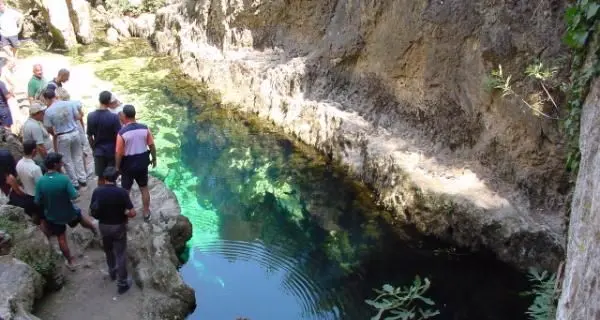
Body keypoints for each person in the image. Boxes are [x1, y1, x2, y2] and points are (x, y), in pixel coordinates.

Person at [34, 152, 97, 270]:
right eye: (60, 162)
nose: (62, 164)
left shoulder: (41, 182)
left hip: (53, 215)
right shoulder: (63, 179)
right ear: (55, 164)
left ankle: (71, 261)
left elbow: (37, 201)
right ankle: (94, 229)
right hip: (69, 212)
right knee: (80, 216)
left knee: (61, 238)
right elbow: (75, 196)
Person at [90, 166, 135, 294]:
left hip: (103, 226)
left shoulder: (97, 191)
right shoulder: (122, 193)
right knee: (120, 254)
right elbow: (132, 213)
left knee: (108, 250)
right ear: (117, 178)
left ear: (104, 178)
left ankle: (112, 271)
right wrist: (125, 213)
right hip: (118, 226)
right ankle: (122, 283)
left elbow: (91, 210)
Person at [115, 105, 156, 221]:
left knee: (125, 190)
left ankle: (124, 212)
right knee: (144, 188)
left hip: (128, 165)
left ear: (125, 116)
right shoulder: (145, 128)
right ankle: (146, 212)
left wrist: (117, 167)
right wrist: (154, 159)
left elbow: (118, 153)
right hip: (142, 163)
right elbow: (152, 145)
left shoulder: (122, 133)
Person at [42, 89, 87, 189]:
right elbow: (78, 116)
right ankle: (82, 178)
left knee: (67, 160)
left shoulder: (48, 111)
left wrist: (54, 134)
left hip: (62, 135)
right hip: (74, 132)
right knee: (78, 156)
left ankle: (74, 182)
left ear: (46, 99)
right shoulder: (69, 104)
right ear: (55, 95)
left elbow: (48, 127)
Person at [88, 91, 121, 185]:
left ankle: (101, 196)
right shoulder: (114, 117)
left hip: (99, 151)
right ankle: (113, 197)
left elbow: (90, 136)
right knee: (112, 176)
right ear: (109, 101)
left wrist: (94, 149)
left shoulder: (90, 116)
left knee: (100, 177)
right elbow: (119, 136)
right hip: (111, 150)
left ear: (99, 100)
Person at [55, 87, 90, 177]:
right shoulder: (75, 103)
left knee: (69, 155)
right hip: (77, 127)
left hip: (66, 130)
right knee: (79, 153)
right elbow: (81, 116)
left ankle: (74, 176)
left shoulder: (57, 107)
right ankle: (83, 173)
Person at [15, 140, 44, 226]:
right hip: (37, 197)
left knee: (36, 218)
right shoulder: (35, 168)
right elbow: (41, 186)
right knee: (43, 220)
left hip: (27, 195)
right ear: (34, 151)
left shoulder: (19, 164)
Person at [22, 102, 52, 169]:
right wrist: (49, 162)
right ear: (37, 113)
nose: (43, 114)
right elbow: (40, 146)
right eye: (42, 112)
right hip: (41, 159)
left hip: (37, 158)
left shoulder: (29, 123)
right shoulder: (34, 126)